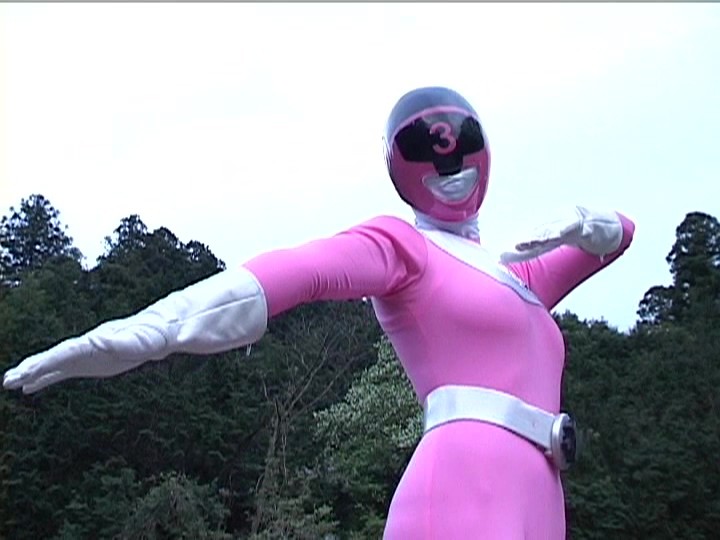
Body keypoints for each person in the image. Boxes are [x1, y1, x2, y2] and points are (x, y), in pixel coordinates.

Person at [3, 86, 634, 538]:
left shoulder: (520, 277)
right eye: (424, 148)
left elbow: (623, 235)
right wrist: (145, 333)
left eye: (459, 140)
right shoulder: (404, 247)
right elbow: (289, 274)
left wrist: (591, 222)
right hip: (465, 480)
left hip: (542, 492)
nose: (449, 160)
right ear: (400, 166)